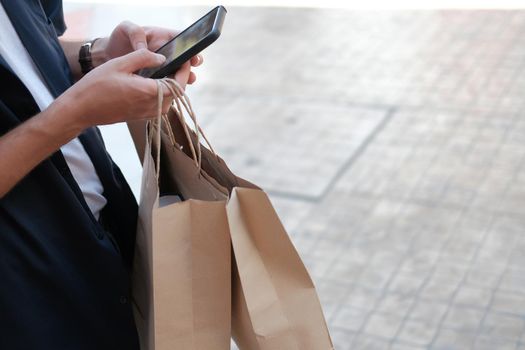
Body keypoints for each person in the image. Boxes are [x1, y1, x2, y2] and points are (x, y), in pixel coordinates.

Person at [0, 0, 202, 348]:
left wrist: (98, 55)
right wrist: (74, 114)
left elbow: (28, 46)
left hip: (104, 237)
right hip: (23, 295)